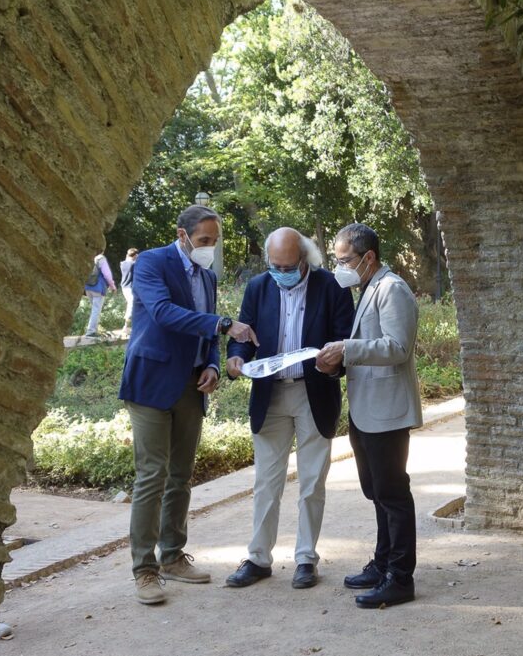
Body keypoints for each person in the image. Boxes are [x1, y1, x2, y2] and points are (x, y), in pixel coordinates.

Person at [118, 204, 259, 605]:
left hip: (192, 384)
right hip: (150, 382)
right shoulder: (151, 263)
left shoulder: (208, 275)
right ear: (182, 234)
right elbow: (162, 313)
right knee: (152, 476)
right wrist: (223, 324)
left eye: (214, 242)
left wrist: (212, 364)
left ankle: (173, 556)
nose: (209, 248)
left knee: (181, 476)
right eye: (203, 241)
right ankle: (144, 570)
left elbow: (205, 325)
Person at [224, 228, 355, 590]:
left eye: (288, 265)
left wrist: (334, 363)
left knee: (311, 482)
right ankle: (258, 558)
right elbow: (243, 339)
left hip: (313, 392)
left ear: (304, 260)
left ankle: (305, 559)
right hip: (270, 396)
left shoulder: (332, 286)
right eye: (275, 264)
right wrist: (236, 360)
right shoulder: (258, 287)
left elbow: (346, 339)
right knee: (266, 481)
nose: (281, 271)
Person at [316, 223, 423, 608]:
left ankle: (400, 577)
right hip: (367, 410)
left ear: (369, 258)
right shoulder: (369, 287)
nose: (339, 267)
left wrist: (347, 348)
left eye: (345, 260)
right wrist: (337, 362)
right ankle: (382, 564)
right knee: (377, 493)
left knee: (393, 494)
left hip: (387, 412)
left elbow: (397, 347)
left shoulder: (391, 289)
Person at [84, 251, 116, 337]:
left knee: (94, 309)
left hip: (88, 287)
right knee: (96, 310)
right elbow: (107, 274)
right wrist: (112, 286)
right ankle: (91, 331)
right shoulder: (101, 258)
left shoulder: (87, 256)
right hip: (98, 287)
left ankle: (91, 330)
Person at [120, 248, 139, 336]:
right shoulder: (133, 264)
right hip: (130, 288)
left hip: (124, 287)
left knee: (132, 305)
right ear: (135, 255)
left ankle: (129, 327)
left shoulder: (123, 263)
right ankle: (126, 327)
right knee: (131, 305)